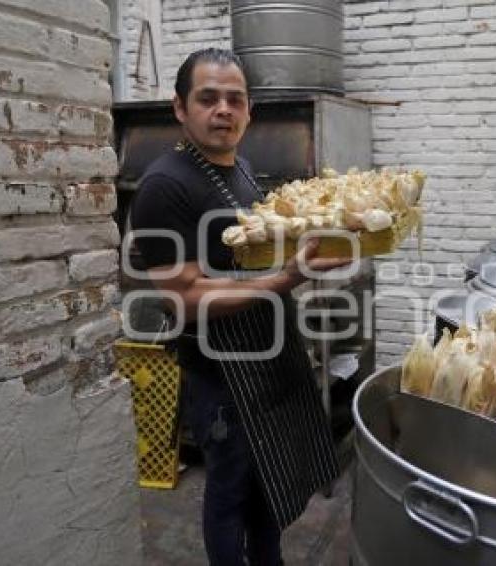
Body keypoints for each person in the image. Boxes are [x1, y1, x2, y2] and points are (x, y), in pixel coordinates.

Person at [130, 48, 349, 566]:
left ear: (249, 111)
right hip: (225, 378)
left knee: (268, 493)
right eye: (208, 99)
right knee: (229, 496)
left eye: (235, 100)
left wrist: (312, 259)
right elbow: (182, 299)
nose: (223, 110)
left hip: (270, 358)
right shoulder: (164, 186)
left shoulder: (243, 171)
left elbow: (258, 253)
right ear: (180, 108)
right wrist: (284, 279)